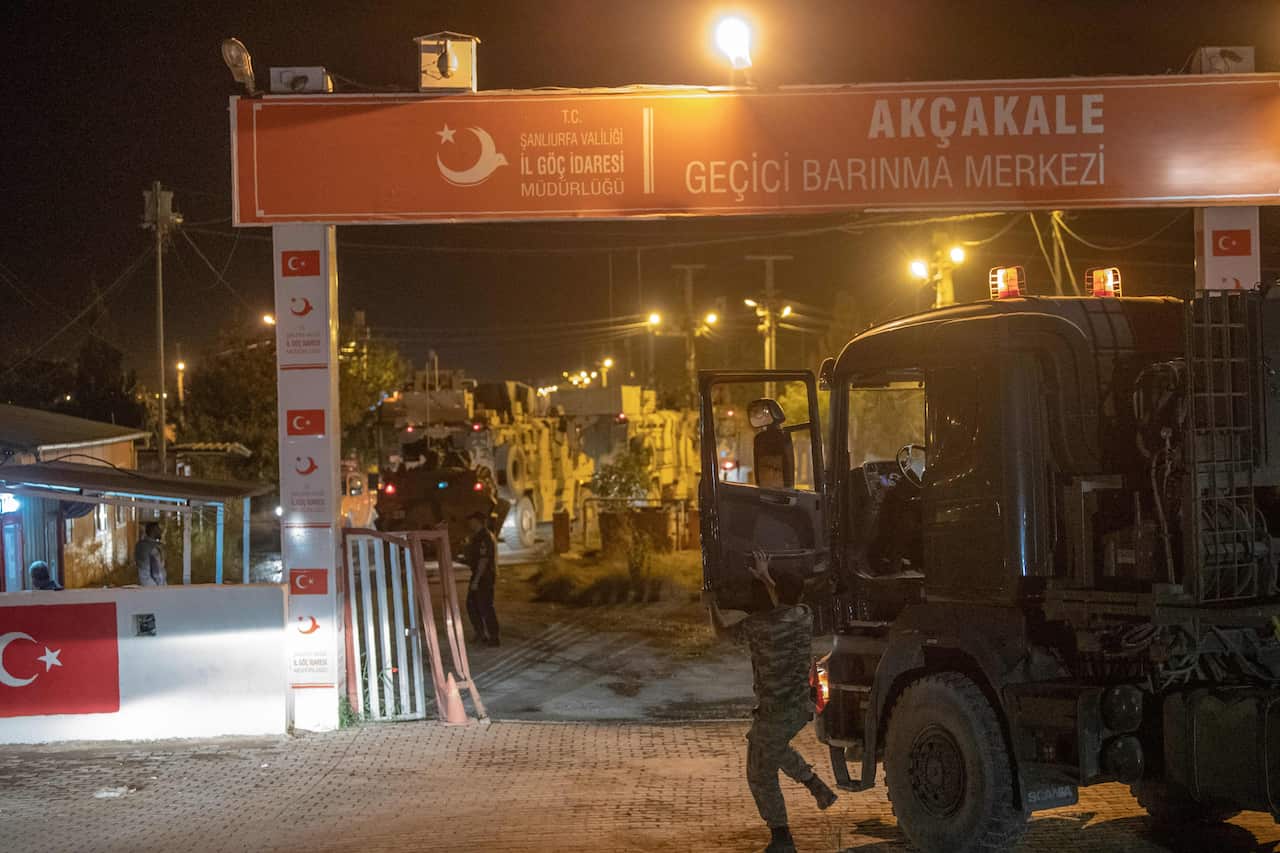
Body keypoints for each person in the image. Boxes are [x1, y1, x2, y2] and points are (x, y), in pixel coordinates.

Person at [712, 549, 837, 853]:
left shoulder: (759, 625)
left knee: (759, 773)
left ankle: (782, 838)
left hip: (775, 712)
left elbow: (722, 634)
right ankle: (817, 788)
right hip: (802, 708)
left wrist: (711, 606)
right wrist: (766, 575)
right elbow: (784, 599)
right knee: (772, 746)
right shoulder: (803, 616)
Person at [462, 511, 499, 646]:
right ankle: (480, 633)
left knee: (485, 607)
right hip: (478, 575)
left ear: (477, 522)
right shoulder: (476, 537)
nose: (469, 524)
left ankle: (493, 637)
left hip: (484, 577)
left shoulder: (485, 537)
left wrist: (476, 580)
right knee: (472, 605)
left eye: (471, 521)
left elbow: (484, 560)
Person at [134, 522, 167, 587]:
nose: (161, 531)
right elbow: (144, 574)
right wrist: (154, 591)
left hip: (160, 589)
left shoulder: (157, 546)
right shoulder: (143, 547)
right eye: (158, 528)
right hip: (152, 590)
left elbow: (161, 571)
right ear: (153, 530)